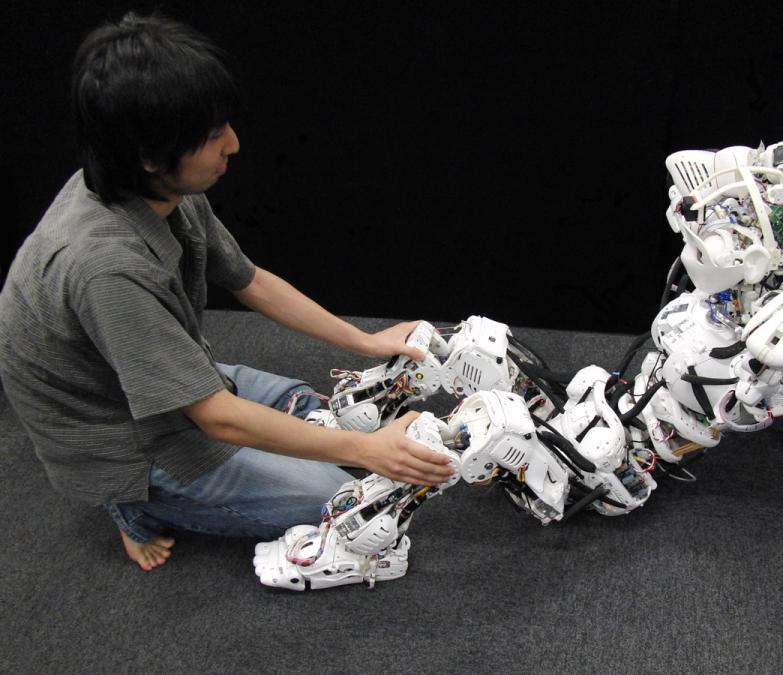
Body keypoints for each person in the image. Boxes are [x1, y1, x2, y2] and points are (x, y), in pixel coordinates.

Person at [0, 12, 454, 572]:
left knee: (327, 414)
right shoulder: (105, 268)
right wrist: (367, 453)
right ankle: (134, 505)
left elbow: (252, 281)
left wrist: (365, 342)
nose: (234, 145)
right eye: (213, 137)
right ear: (150, 156)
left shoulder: (161, 188)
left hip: (173, 379)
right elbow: (216, 418)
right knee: (345, 502)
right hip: (123, 436)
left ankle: (308, 447)